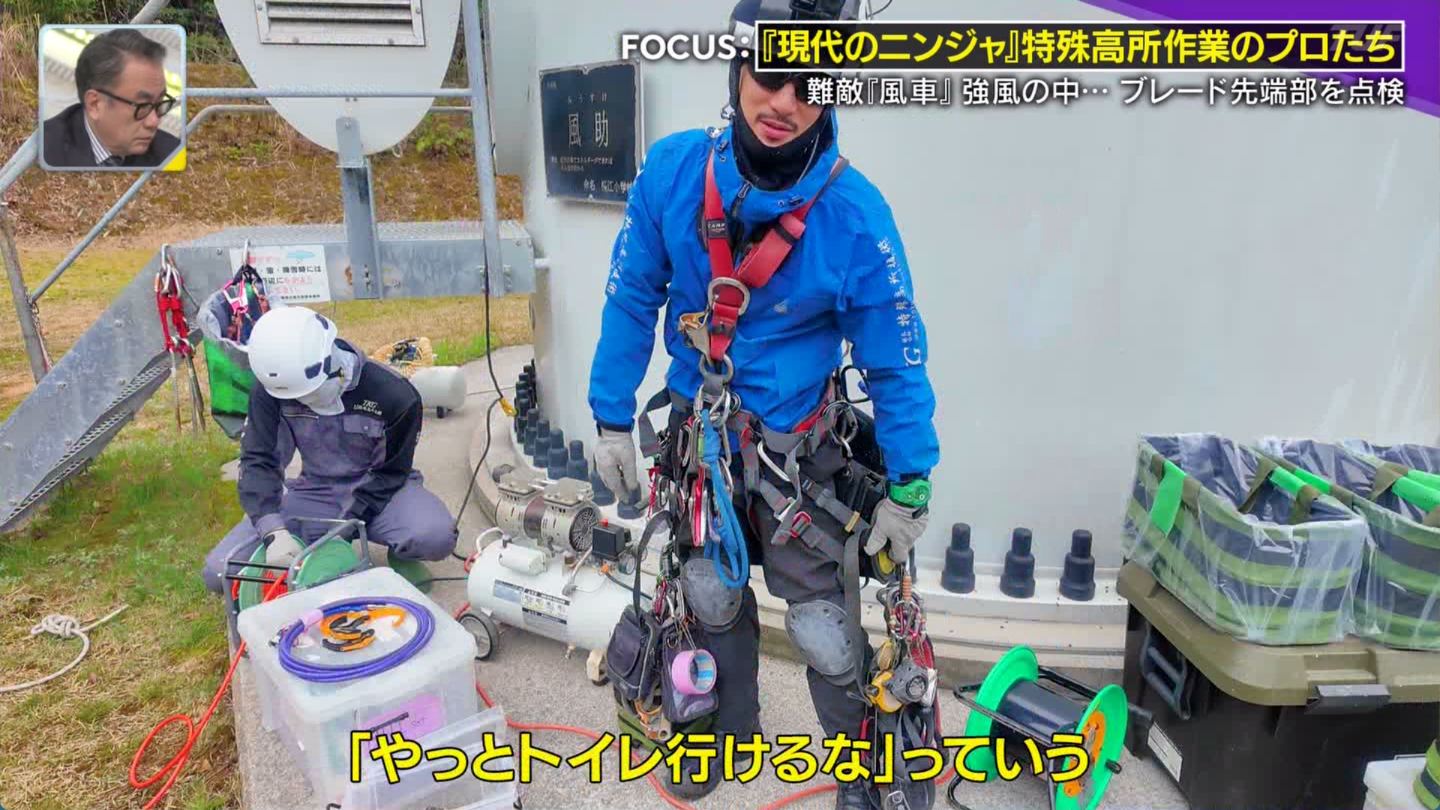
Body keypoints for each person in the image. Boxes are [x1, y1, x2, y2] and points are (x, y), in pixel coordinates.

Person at [586, 1, 940, 807]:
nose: (784, 101)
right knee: (707, 596)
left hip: (798, 465)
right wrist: (609, 414)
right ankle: (719, 731)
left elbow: (896, 359)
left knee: (823, 631)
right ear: (738, 67)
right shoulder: (673, 174)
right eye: (771, 74)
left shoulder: (854, 218)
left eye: (811, 84)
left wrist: (911, 480)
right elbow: (631, 296)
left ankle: (867, 774)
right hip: (699, 450)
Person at [201, 306, 458, 593]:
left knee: (434, 536)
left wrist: (343, 528)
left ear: (330, 358)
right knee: (219, 572)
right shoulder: (273, 389)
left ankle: (401, 553)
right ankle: (298, 546)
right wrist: (273, 530)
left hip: (384, 491)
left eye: (308, 393)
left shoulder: (394, 394)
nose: (304, 401)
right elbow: (258, 460)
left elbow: (391, 473)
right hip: (317, 490)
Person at [41, 28, 181, 169]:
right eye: (143, 106)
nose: (154, 122)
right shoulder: (42, 152)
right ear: (95, 104)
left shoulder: (171, 155)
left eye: (160, 103)